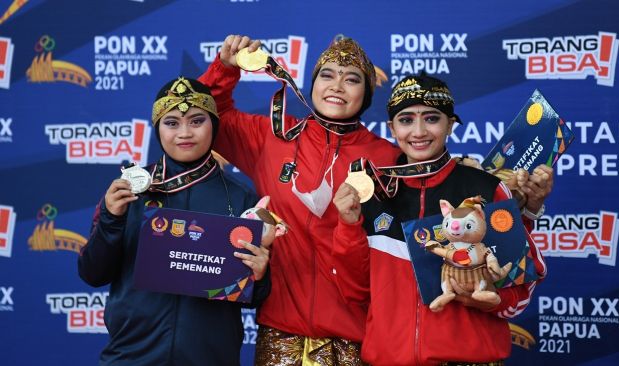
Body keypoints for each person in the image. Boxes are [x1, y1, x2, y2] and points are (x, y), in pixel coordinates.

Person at [199, 35, 398, 365]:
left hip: (353, 339)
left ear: (366, 95)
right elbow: (211, 115)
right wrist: (225, 68)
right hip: (280, 333)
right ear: (312, 83)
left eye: (352, 79)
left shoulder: (387, 158)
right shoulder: (272, 137)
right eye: (327, 75)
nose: (337, 86)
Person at [331, 74, 550, 365]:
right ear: (391, 128)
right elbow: (354, 291)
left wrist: (494, 302)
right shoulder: (373, 193)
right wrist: (347, 226)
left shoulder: (486, 188)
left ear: (450, 124)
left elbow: (521, 286)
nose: (419, 131)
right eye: (406, 120)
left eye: (432, 118)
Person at [78, 77, 270, 366]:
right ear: (157, 128)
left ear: (213, 125)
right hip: (132, 356)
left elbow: (254, 297)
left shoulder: (241, 197)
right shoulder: (129, 189)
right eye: (171, 123)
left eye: (196, 121)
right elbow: (92, 274)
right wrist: (111, 218)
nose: (184, 133)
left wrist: (260, 275)